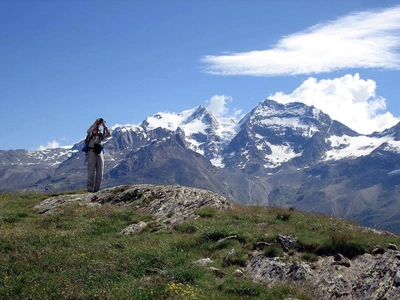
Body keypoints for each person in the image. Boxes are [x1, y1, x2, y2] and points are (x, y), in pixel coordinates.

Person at [86, 118, 111, 192]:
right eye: (98, 124)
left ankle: (97, 189)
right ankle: (90, 189)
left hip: (99, 152)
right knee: (91, 172)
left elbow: (109, 134)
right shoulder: (91, 134)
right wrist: (95, 123)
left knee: (100, 172)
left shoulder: (101, 135)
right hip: (91, 152)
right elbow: (88, 131)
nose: (99, 126)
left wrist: (104, 126)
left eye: (99, 125)